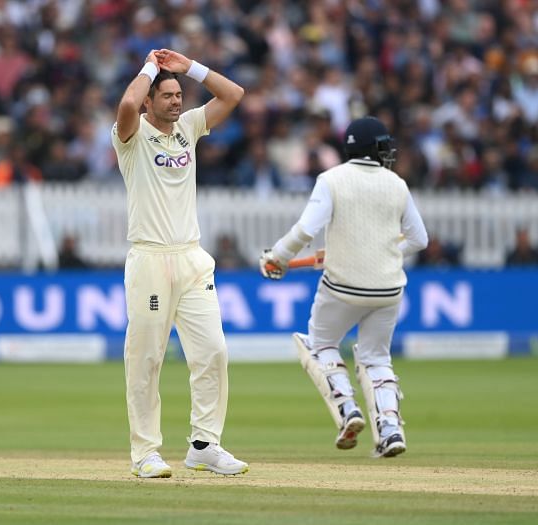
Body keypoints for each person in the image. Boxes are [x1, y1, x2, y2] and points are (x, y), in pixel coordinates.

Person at [111, 48, 249, 478]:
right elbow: (128, 104)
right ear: (151, 101)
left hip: (192, 257)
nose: (176, 101)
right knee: (146, 359)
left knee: (213, 352)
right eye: (167, 95)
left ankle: (204, 444)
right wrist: (151, 67)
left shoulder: (188, 128)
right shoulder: (129, 137)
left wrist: (190, 67)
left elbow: (234, 95)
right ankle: (145, 453)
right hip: (151, 258)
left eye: (178, 94)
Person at [259, 116, 428, 458]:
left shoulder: (332, 179)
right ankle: (391, 429)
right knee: (376, 358)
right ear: (372, 148)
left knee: (319, 345)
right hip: (388, 288)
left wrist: (278, 256)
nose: (388, 152)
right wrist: (380, 250)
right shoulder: (396, 183)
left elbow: (307, 229)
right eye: (384, 146)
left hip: (342, 287)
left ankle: (348, 408)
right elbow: (418, 240)